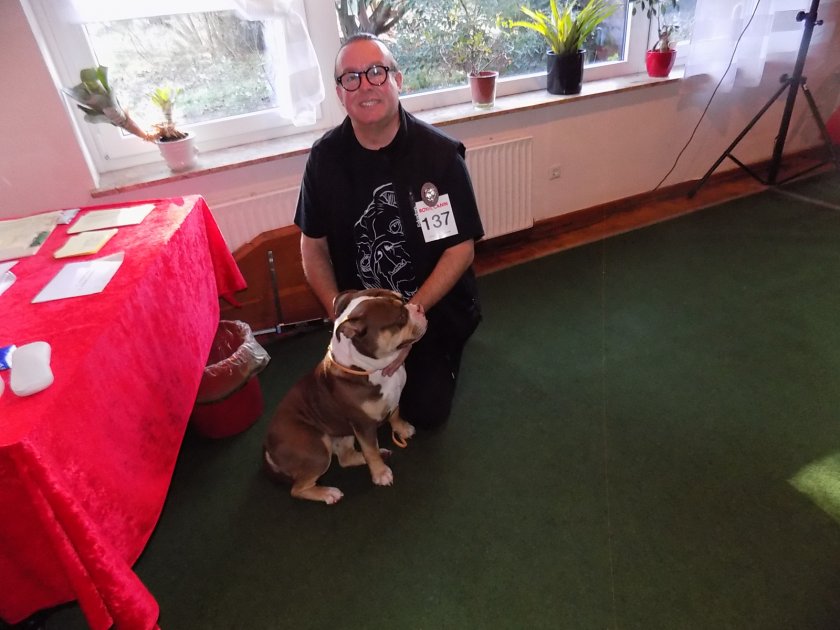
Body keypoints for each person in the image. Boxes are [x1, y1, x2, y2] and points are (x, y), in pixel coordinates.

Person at [294, 32, 484, 430]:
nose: (365, 85)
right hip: (366, 317)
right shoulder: (324, 160)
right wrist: (339, 314)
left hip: (429, 307)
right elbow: (312, 246)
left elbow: (460, 249)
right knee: (348, 404)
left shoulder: (440, 156)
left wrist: (410, 324)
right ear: (340, 93)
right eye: (351, 77)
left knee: (425, 413)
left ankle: (449, 350)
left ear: (398, 80)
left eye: (376, 72)